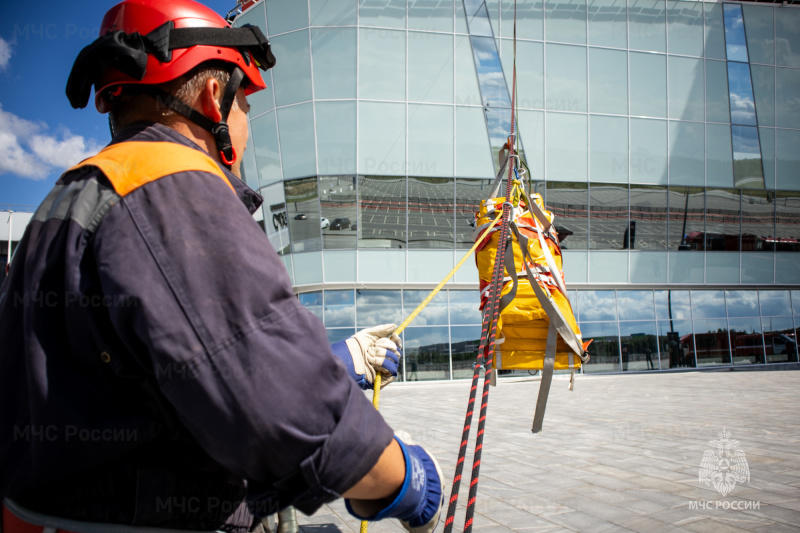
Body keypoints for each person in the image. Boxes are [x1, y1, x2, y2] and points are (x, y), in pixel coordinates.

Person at [0, 1, 444, 532]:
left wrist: (340, 362)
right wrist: (402, 481)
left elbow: (154, 370)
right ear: (215, 96)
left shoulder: (79, 191)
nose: (246, 123)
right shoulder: (171, 183)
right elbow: (278, 415)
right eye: (246, 106)